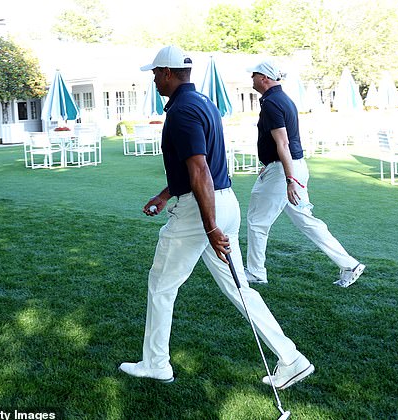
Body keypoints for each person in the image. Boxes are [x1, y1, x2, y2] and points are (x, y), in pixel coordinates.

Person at [119, 46, 314, 390]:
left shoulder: (182, 111)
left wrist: (209, 227)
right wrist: (166, 194)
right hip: (222, 204)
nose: (153, 79)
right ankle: (291, 359)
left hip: (200, 212)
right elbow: (198, 166)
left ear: (166, 72)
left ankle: (156, 364)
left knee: (161, 286)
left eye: (154, 73)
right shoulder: (204, 103)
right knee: (240, 289)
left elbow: (200, 170)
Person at [244, 60, 365, 288]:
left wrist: (288, 179)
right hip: (292, 167)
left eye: (253, 75)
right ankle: (349, 264)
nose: (251, 79)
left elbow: (283, 143)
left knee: (257, 221)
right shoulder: (283, 100)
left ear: (264, 78)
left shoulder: (271, 103)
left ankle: (256, 272)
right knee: (306, 221)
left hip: (284, 171)